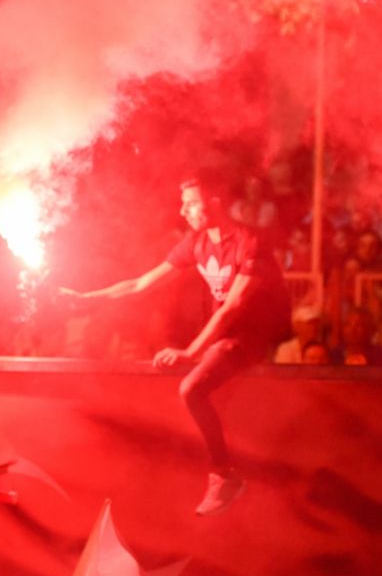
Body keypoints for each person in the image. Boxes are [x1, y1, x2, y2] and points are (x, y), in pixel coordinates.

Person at [60, 174, 291, 515]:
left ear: (214, 202)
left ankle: (223, 476)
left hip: (252, 337)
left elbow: (234, 307)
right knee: (199, 385)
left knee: (191, 389)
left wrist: (191, 353)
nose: (184, 211)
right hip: (224, 338)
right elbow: (141, 283)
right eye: (184, 204)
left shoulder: (249, 241)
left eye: (192, 203)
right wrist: (87, 299)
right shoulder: (196, 243)